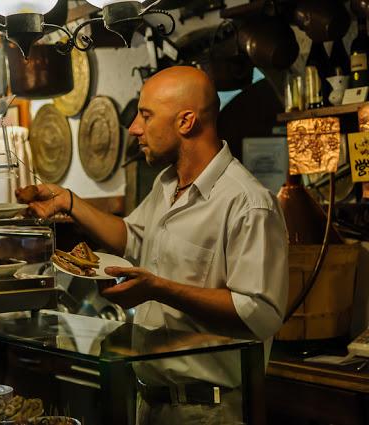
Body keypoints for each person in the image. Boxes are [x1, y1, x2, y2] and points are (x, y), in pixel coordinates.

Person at [17, 66, 289, 424]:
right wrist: (68, 200)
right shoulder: (166, 184)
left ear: (186, 121)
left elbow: (260, 313)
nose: (134, 128)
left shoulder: (247, 203)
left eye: (146, 115)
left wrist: (158, 289)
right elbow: (131, 237)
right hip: (151, 402)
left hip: (207, 410)